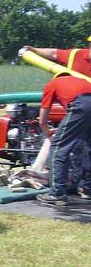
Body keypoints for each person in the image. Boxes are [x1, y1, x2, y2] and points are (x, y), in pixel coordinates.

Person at [36, 74, 91, 206]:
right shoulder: (82, 81)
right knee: (87, 145)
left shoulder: (52, 84)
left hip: (81, 105)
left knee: (59, 147)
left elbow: (43, 118)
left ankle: (57, 194)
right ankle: (87, 189)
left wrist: (47, 132)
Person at [24, 35, 91, 76]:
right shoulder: (75, 54)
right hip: (72, 96)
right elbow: (53, 53)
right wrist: (35, 50)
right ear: (89, 45)